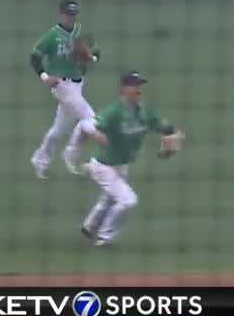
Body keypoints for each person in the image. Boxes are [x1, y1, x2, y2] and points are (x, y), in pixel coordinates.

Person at [69, 71, 184, 247]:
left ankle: (89, 227)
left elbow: (172, 131)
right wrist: (96, 137)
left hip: (123, 167)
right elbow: (86, 126)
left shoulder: (146, 113)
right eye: (135, 85)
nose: (139, 89)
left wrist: (174, 140)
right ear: (124, 89)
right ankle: (105, 237)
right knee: (128, 200)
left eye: (140, 85)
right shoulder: (113, 113)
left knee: (109, 198)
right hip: (104, 167)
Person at [29, 0, 100, 179]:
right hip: (61, 85)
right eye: (68, 14)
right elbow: (34, 57)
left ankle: (39, 160)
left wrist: (90, 58)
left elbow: (96, 53)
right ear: (61, 14)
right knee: (90, 118)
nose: (71, 18)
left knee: (58, 130)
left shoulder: (80, 32)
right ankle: (70, 153)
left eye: (73, 15)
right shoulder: (52, 35)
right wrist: (45, 77)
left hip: (77, 85)